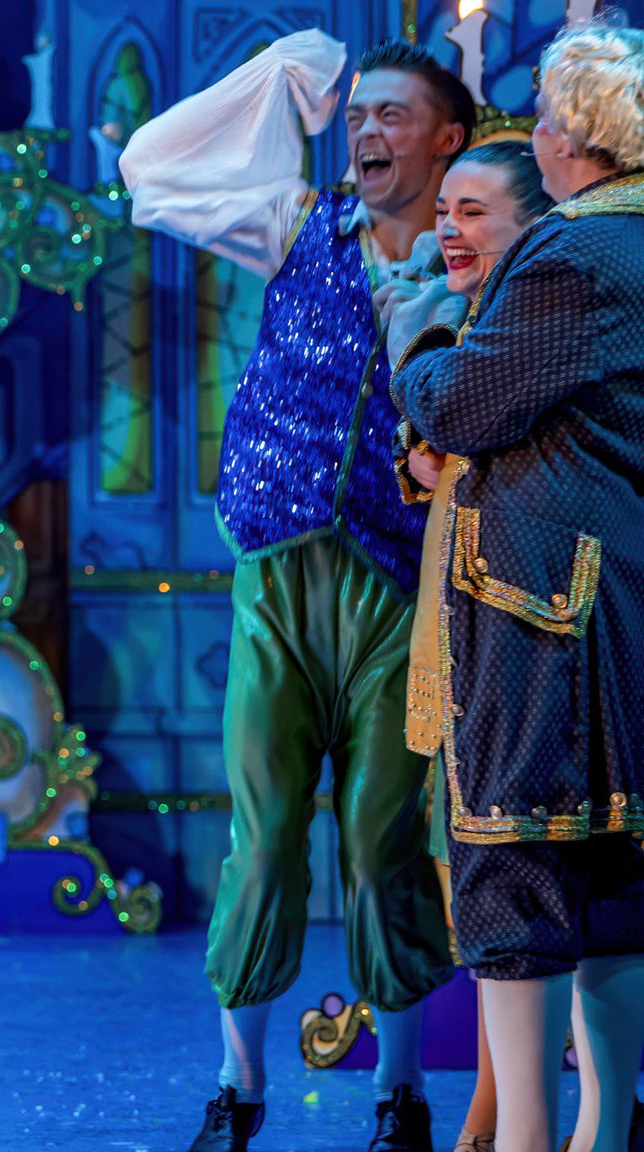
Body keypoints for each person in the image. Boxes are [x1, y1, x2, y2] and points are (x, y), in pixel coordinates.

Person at [120, 32, 471, 1152]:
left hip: (394, 582)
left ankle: (400, 1092)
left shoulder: (478, 261)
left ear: (447, 140)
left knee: (378, 840)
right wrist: (282, 72)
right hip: (277, 572)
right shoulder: (295, 225)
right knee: (263, 836)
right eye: (355, 114)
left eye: (391, 116)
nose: (365, 132)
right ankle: (237, 1086)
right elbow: (151, 166)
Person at [387, 21, 644, 1152]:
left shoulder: (576, 255)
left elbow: (457, 405)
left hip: (544, 613)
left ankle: (531, 1143)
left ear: (574, 140)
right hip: (604, 596)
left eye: (541, 117)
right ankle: (595, 1131)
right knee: (611, 882)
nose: (530, 134)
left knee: (517, 871)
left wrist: (425, 342)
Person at [385, 141, 553, 1152]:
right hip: (455, 612)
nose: (447, 227)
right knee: (466, 869)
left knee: (520, 872)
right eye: (441, 210)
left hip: (524, 618)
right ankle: (491, 1111)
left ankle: (519, 1116)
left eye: (474, 212)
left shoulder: (539, 323)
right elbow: (424, 450)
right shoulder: (461, 318)